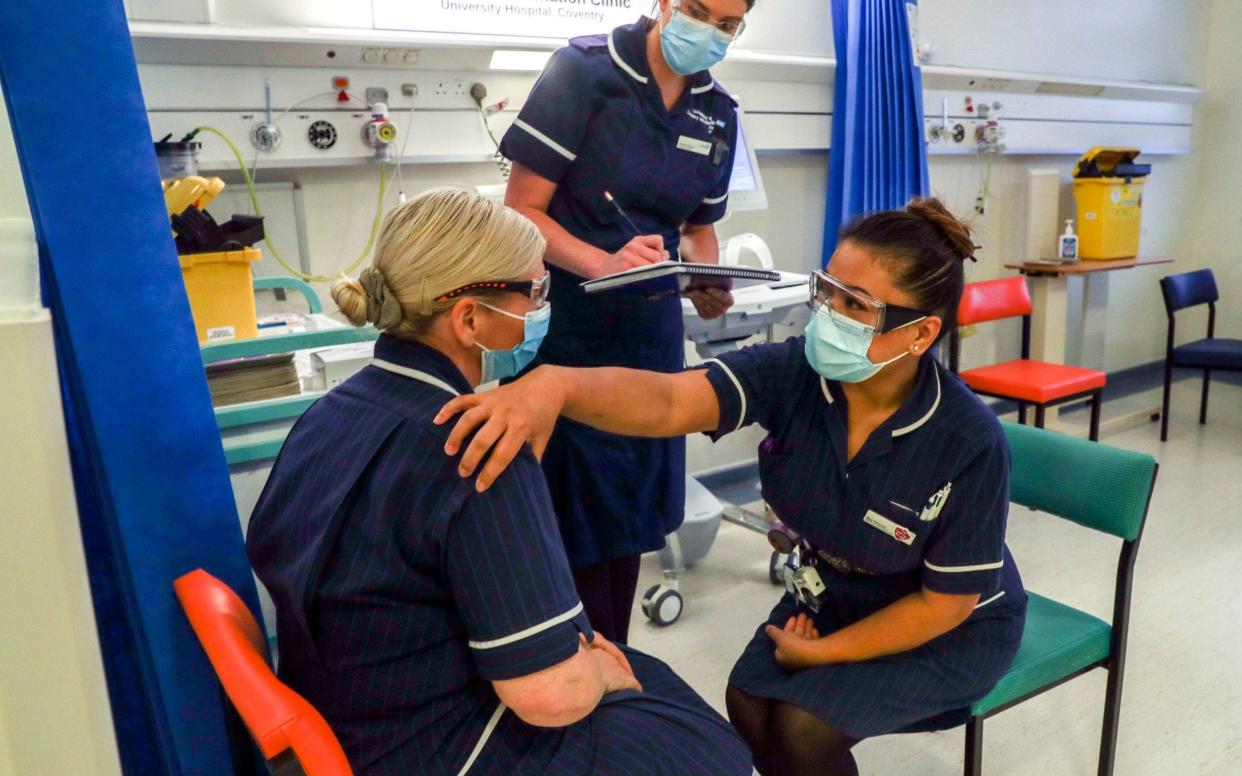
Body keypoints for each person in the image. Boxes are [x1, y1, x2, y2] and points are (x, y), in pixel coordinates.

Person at [436, 198, 1028, 776]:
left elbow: (945, 604)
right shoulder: (799, 375)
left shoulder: (965, 440)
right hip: (835, 593)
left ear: (920, 334)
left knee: (801, 728)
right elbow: (669, 400)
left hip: (948, 625)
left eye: (855, 305)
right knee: (748, 705)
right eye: (827, 291)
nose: (826, 315)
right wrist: (555, 386)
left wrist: (824, 653)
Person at [246, 189, 752, 776]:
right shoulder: (481, 450)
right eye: (536, 292)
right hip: (441, 748)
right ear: (469, 318)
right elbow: (552, 697)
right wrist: (600, 672)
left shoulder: (329, 413)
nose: (544, 307)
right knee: (707, 745)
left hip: (347, 717)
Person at [496, 0, 755, 642]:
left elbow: (698, 229)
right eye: (699, 12)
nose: (710, 33)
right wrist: (601, 263)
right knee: (570, 528)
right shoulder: (583, 73)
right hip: (571, 334)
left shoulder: (717, 113)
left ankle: (612, 663)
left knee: (630, 525)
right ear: (665, 4)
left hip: (652, 342)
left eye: (728, 25)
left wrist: (707, 280)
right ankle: (567, 668)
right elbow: (521, 209)